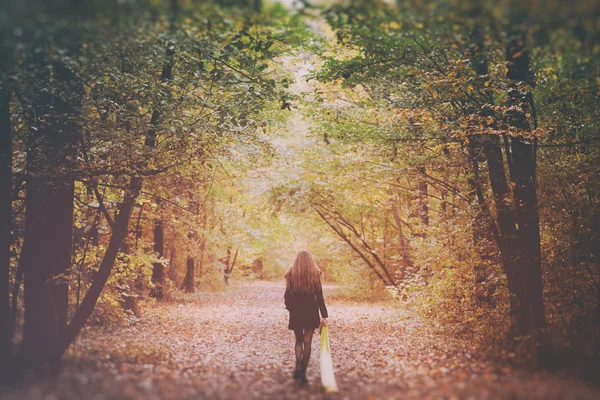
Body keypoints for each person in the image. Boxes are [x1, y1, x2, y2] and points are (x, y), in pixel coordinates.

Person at [284, 250, 328, 385]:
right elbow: (319, 297)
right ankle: (302, 371)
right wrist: (324, 315)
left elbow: (287, 296)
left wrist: (291, 309)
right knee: (308, 341)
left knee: (298, 341)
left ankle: (298, 367)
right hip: (311, 311)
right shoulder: (315, 273)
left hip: (296, 311)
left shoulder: (291, 273)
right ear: (310, 260)